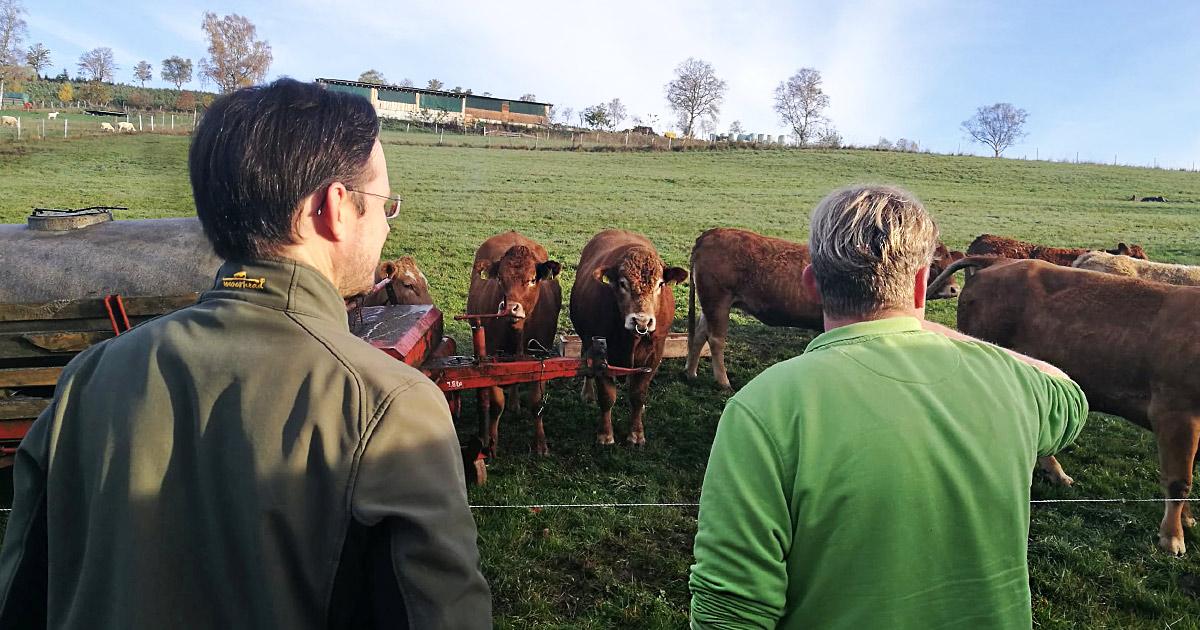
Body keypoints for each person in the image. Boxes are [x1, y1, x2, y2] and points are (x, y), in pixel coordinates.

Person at [0, 79, 491, 629]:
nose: (384, 222)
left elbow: (22, 597)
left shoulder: (86, 381)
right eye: (384, 204)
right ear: (333, 207)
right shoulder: (390, 407)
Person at [688, 184, 1087, 629]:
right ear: (920, 284)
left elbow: (729, 614)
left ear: (812, 285)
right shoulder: (1012, 383)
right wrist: (933, 331)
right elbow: (1070, 397)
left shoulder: (763, 407)